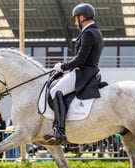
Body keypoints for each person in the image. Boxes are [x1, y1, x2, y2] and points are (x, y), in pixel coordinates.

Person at [43, 3, 104, 145]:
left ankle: (60, 131)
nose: (76, 23)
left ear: (82, 18)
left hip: (84, 72)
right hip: (91, 71)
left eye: (76, 20)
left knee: (55, 90)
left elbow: (80, 59)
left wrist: (62, 67)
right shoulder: (97, 32)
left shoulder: (88, 33)